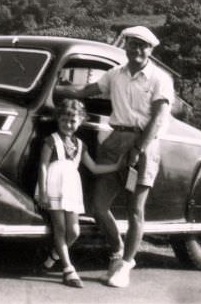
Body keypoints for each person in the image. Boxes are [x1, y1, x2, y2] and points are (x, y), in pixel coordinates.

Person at [54, 25, 172, 288]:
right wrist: (56, 88)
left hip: (145, 144)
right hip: (115, 139)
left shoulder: (159, 79)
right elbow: (83, 92)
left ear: (151, 50)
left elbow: (157, 118)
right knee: (97, 205)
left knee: (135, 210)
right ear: (126, 46)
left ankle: (126, 265)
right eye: (132, 44)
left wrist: (138, 149)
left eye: (143, 46)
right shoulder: (114, 75)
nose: (137, 50)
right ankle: (117, 249)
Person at [36, 99, 124, 288]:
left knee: (74, 231)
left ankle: (53, 256)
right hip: (54, 184)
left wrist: (116, 166)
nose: (68, 124)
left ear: (80, 121)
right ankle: (68, 269)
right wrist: (42, 191)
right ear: (58, 119)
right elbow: (43, 165)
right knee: (60, 229)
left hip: (71, 187)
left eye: (73, 121)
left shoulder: (80, 145)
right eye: (64, 120)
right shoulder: (52, 140)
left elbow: (93, 167)